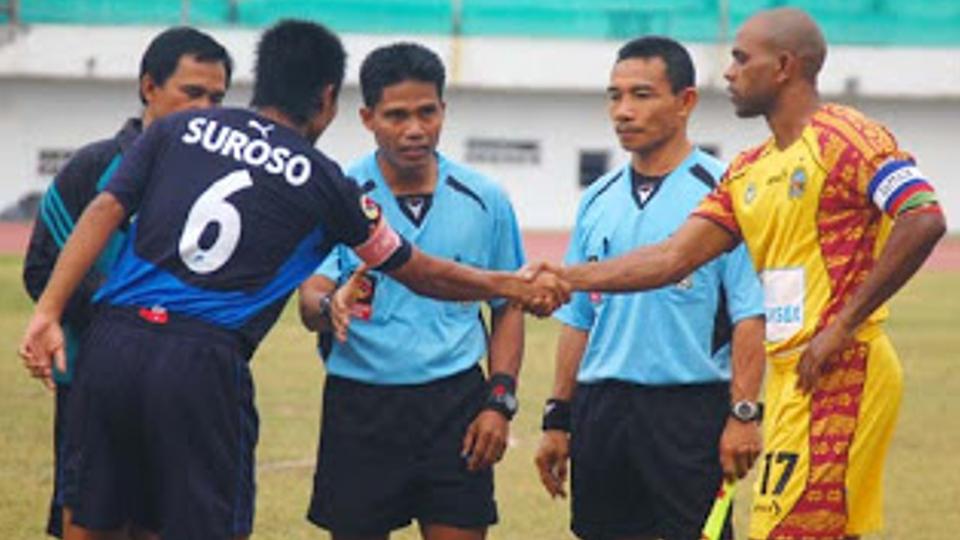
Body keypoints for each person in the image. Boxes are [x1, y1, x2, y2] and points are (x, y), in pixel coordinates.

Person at [18, 20, 565, 540]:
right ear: (330, 99)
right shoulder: (329, 183)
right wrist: (509, 285)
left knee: (90, 519)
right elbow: (419, 272)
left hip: (112, 344)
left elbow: (104, 209)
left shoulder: (180, 129)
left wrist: (47, 312)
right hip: (202, 361)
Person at [537, 8, 946, 540]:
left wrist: (843, 324)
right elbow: (670, 258)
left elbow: (924, 215)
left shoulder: (846, 137)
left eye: (739, 58)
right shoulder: (749, 169)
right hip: (793, 379)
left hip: (843, 368)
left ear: (784, 66)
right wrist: (568, 277)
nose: (727, 73)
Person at [531, 36, 765, 540]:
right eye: (614, 96)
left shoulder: (725, 192)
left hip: (688, 409)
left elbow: (750, 315)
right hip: (602, 408)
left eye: (641, 95)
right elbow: (578, 319)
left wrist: (744, 414)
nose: (623, 111)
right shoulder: (597, 199)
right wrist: (558, 416)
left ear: (685, 102)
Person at [298, 42, 525, 540]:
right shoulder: (339, 192)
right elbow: (309, 298)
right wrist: (328, 303)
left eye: (427, 112)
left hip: (455, 405)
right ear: (367, 117)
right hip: (361, 405)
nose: (415, 129)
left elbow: (508, 306)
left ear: (443, 110)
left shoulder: (485, 199)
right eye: (396, 115)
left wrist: (499, 401)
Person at [21, 26, 232, 538]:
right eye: (192, 92)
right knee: (92, 524)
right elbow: (42, 269)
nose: (205, 109)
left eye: (217, 98)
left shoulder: (218, 183)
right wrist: (136, 324)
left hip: (182, 389)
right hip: (95, 385)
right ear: (148, 87)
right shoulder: (94, 168)